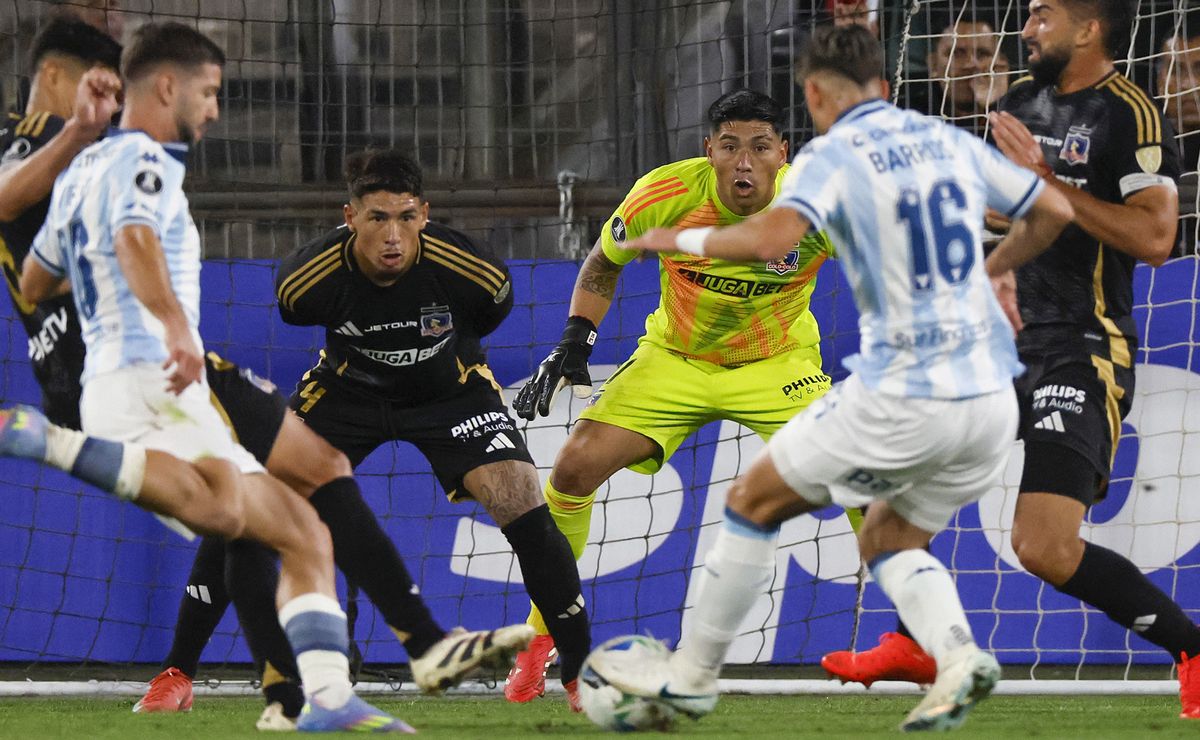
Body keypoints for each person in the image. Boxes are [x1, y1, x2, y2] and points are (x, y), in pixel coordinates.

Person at [0, 20, 533, 730]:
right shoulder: (140, 160)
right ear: (167, 87)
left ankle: (323, 698)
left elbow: (35, 281)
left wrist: (96, 277)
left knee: (300, 520)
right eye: (208, 92)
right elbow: (133, 238)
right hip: (155, 373)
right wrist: (172, 325)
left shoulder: (83, 170)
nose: (215, 109)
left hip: (120, 379)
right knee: (240, 509)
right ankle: (50, 442)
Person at [593, 23, 1074, 731]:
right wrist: (994, 270)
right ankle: (959, 656)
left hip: (907, 392)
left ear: (814, 94)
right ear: (885, 85)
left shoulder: (832, 154)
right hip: (992, 399)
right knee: (888, 538)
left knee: (750, 503)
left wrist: (678, 237)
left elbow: (770, 240)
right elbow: (1054, 209)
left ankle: (691, 678)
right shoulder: (944, 140)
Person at [833, 0, 1200, 720]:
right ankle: (914, 642)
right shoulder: (1020, 102)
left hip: (1081, 346)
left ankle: (1191, 649)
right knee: (889, 518)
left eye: (1041, 16)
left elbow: (1156, 238)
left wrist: (1046, 183)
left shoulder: (1130, 113)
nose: (1025, 30)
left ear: (1088, 29)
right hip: (995, 345)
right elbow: (1009, 209)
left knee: (1043, 547)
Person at [508, 88, 837, 703]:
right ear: (709, 150)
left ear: (783, 153)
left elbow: (884, 266)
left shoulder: (815, 205)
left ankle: (919, 638)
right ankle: (542, 635)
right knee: (573, 468)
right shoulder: (665, 194)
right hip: (674, 360)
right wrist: (575, 341)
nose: (744, 162)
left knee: (864, 472)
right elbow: (602, 264)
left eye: (760, 147)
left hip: (776, 364)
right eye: (730, 147)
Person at [273, 148, 593, 710]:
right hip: (347, 392)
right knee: (265, 495)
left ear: (424, 213)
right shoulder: (306, 279)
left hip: (450, 392)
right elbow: (296, 310)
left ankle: (579, 672)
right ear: (350, 218)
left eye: (405, 217)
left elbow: (490, 312)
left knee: (522, 500)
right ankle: (184, 672)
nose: (392, 235)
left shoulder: (472, 269)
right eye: (377, 218)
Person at [919, 20, 1011, 134]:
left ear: (1001, 63)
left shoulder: (1021, 111)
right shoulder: (910, 115)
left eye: (982, 54)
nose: (971, 64)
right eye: (957, 53)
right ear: (933, 65)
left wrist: (997, 105)